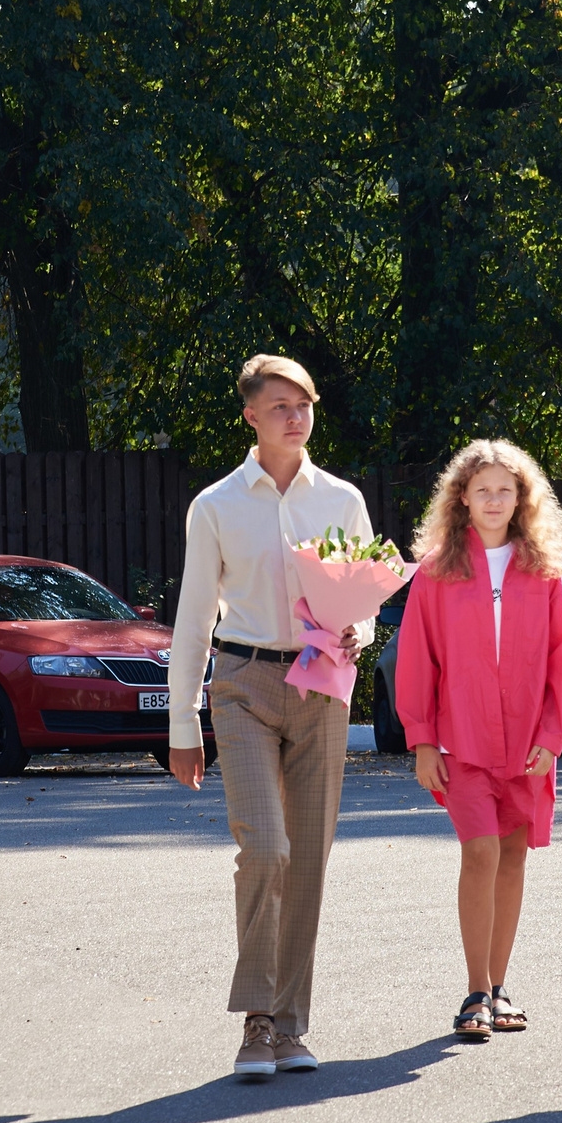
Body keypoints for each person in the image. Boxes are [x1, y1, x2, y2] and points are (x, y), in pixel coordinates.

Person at [164, 354, 374, 1080]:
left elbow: (363, 598)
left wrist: (360, 632)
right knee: (268, 849)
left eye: (305, 404)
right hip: (244, 682)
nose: (296, 416)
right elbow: (193, 617)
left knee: (309, 860)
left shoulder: (341, 498)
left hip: (322, 685)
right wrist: (182, 722)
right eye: (280, 405)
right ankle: (255, 1021)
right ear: (251, 414)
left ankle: (290, 1025)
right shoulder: (217, 504)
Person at [395, 439, 562, 1043]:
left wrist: (553, 735)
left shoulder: (542, 571)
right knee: (480, 853)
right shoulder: (437, 571)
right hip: (460, 742)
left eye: (505, 490)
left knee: (515, 857)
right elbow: (417, 660)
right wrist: (421, 738)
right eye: (483, 490)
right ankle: (476, 990)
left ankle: (500, 989)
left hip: (528, 744)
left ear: (521, 499)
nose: (494, 499)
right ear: (462, 500)